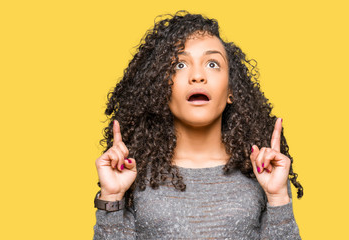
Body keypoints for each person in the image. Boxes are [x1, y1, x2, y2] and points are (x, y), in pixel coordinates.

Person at [93, 10, 304, 239]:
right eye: (180, 65)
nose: (197, 76)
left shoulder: (262, 175)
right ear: (162, 88)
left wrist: (278, 197)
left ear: (231, 90)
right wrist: (111, 198)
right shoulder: (133, 174)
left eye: (212, 64)